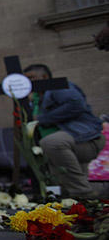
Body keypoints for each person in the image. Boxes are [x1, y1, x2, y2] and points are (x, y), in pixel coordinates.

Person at [24, 64, 105, 197]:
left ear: (45, 77)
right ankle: (80, 203)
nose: (29, 82)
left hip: (84, 137)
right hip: (67, 142)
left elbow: (76, 104)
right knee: (64, 184)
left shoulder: (57, 87)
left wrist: (42, 118)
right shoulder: (37, 98)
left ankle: (84, 193)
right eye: (26, 79)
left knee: (51, 143)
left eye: (32, 78)